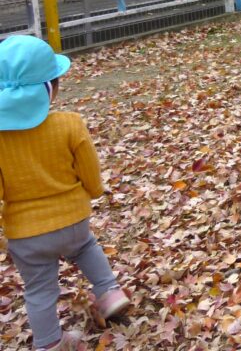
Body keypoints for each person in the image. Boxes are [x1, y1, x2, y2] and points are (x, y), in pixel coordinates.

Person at [0, 36, 131, 351]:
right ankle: (109, 291)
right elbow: (89, 168)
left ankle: (49, 343)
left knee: (40, 289)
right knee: (86, 246)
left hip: (27, 233)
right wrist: (95, 190)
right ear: (51, 88)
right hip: (73, 219)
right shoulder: (70, 125)